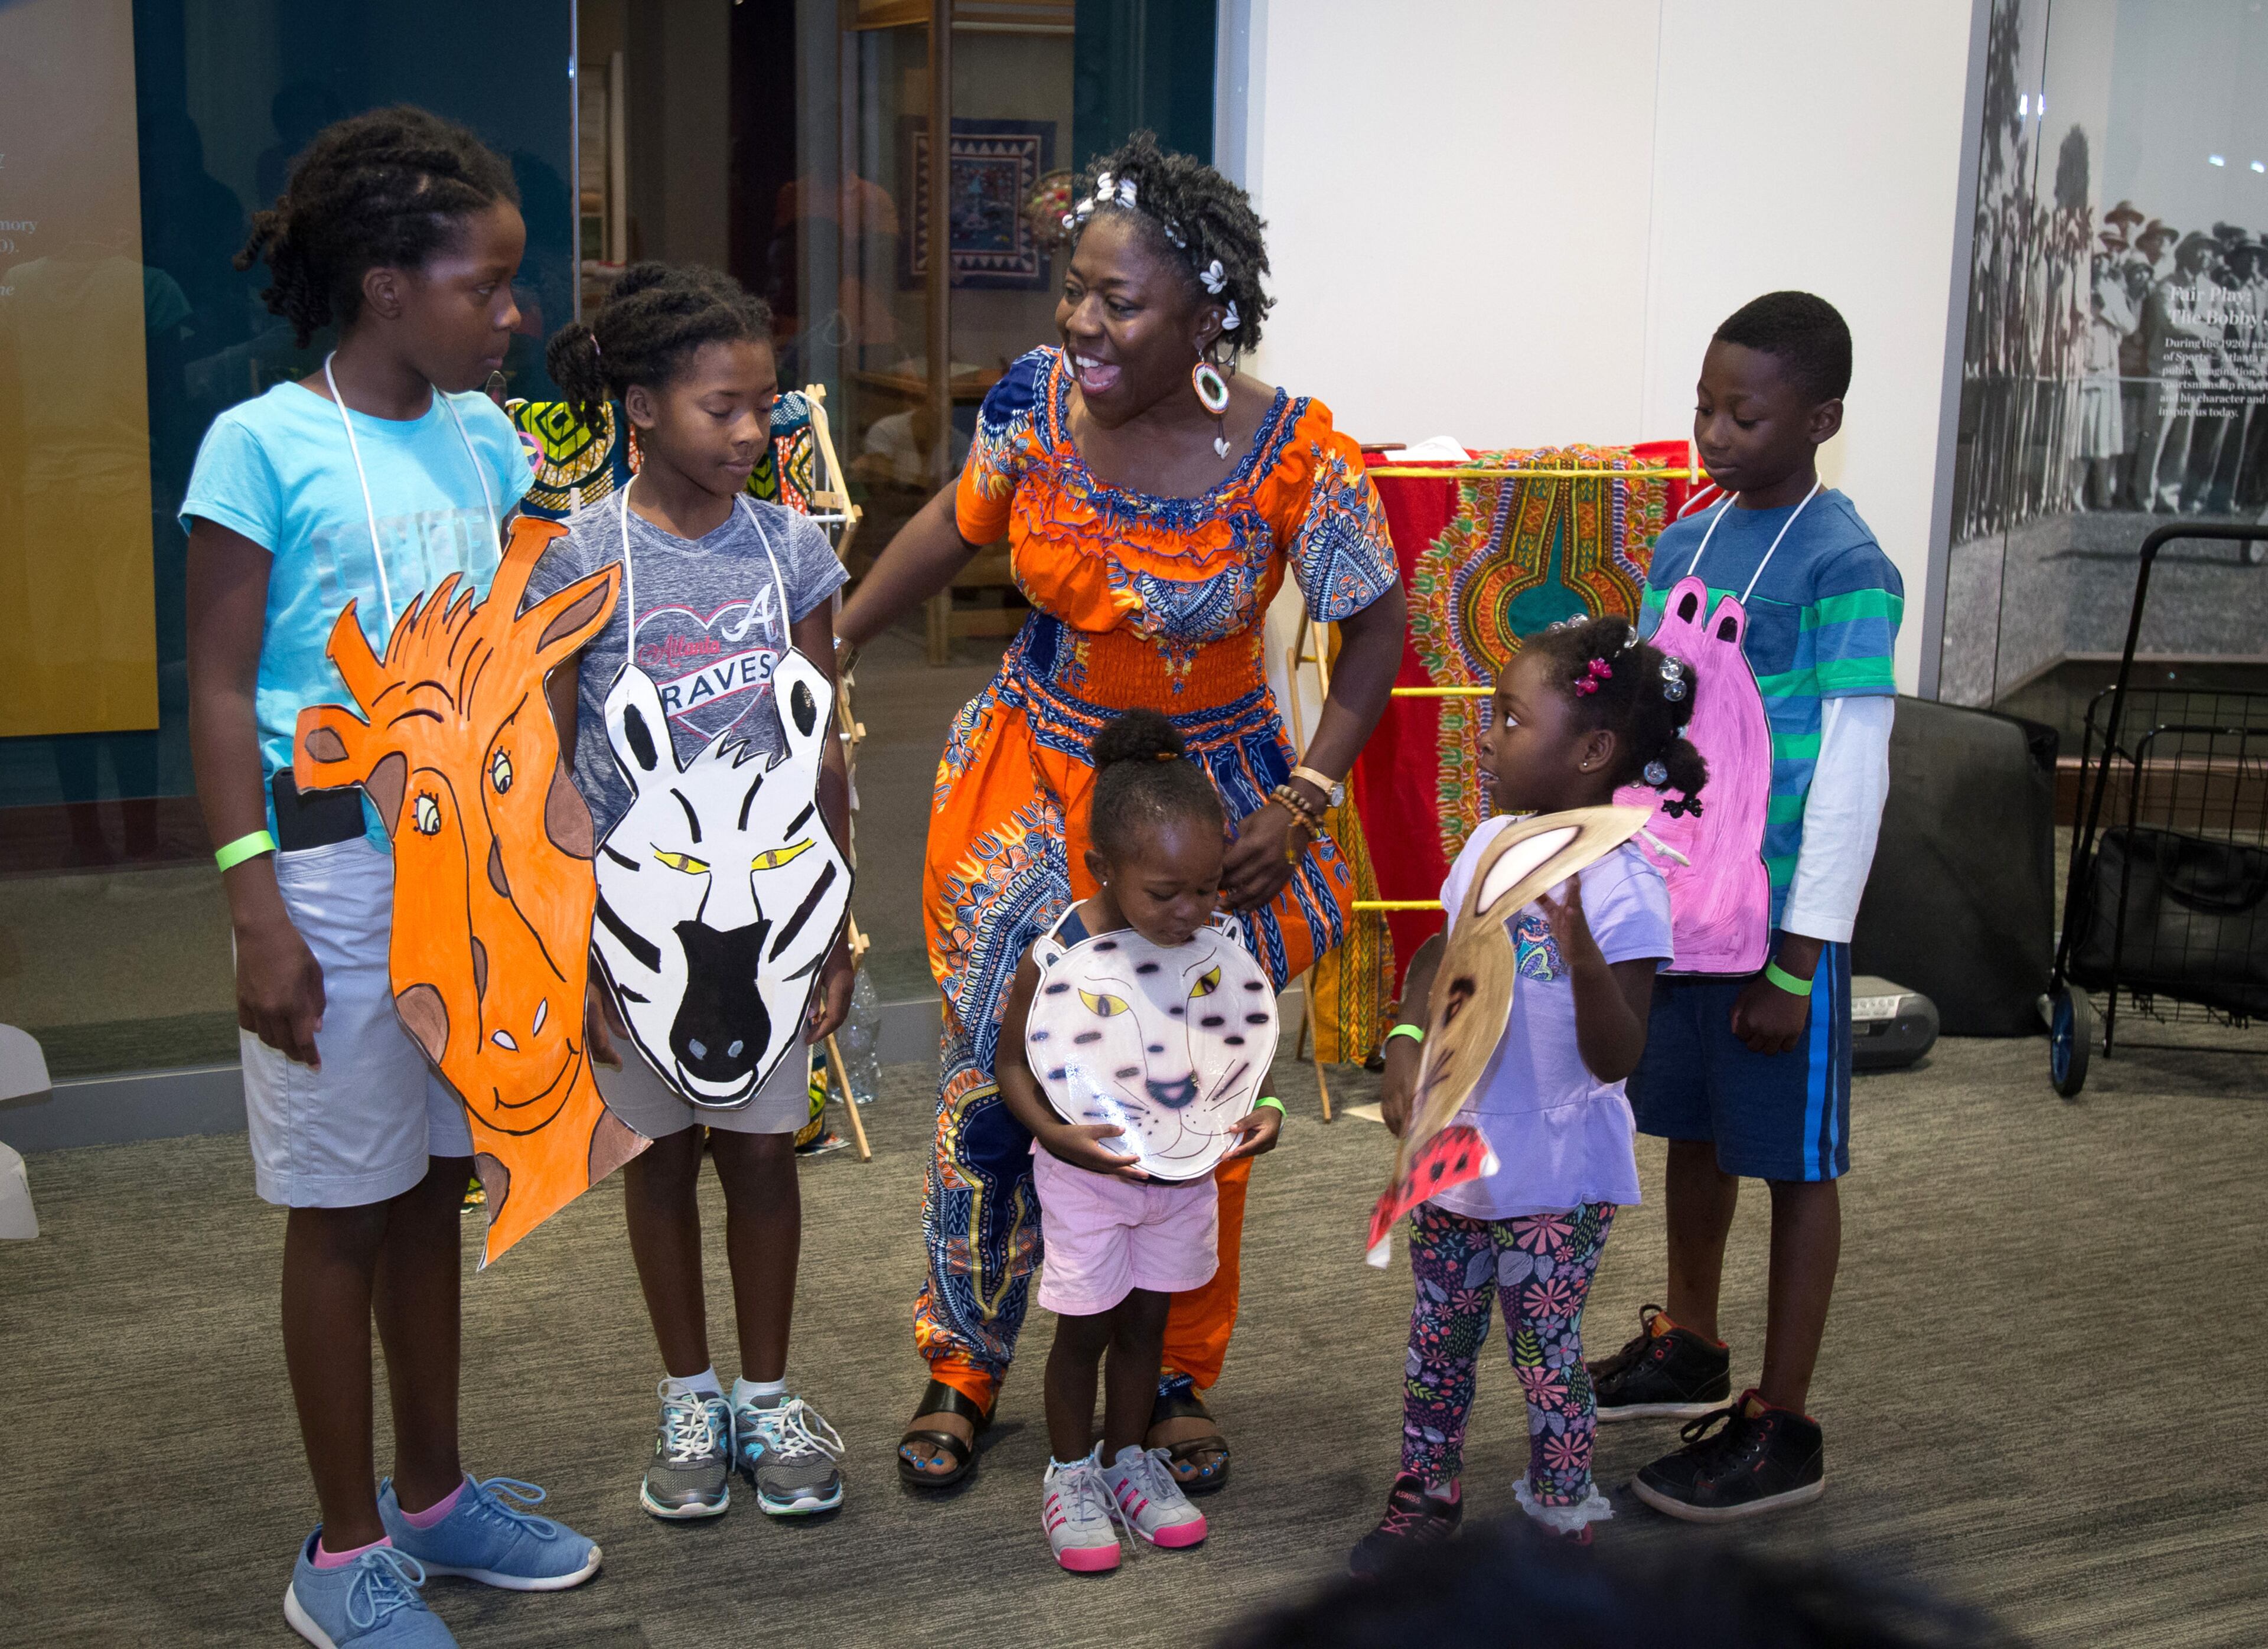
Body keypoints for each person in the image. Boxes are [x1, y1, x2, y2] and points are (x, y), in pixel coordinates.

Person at [831, 131, 1406, 1493]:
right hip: (1037, 785)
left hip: (1215, 817)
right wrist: (839, 634)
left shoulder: (1295, 452)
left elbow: (1376, 623)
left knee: (1198, 1089)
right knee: (993, 1079)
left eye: (1119, 301)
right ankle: (963, 1361)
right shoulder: (1036, 400)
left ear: (1208, 310)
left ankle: (1176, 1378)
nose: (1082, 322)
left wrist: (1310, 793)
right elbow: (958, 525)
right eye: (1074, 292)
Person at [182, 107, 599, 1649]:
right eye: (488, 284)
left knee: (434, 1186)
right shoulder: (262, 446)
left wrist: (550, 876)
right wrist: (254, 911)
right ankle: (343, 1549)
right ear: (381, 283)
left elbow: (514, 667)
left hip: (466, 880)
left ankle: (434, 1495)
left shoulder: (491, 441)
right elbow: (221, 691)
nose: (515, 314)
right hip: (326, 880)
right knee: (338, 1210)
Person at [528, 263, 856, 1523]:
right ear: (644, 407)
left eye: (765, 405)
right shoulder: (582, 554)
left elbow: (825, 746)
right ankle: (690, 1389)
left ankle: (768, 1395)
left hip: (769, 919)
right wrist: (577, 947)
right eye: (723, 406)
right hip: (635, 928)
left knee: (765, 1154)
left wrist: (829, 936)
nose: (753, 432)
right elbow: (555, 774)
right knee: (658, 1161)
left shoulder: (792, 551)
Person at [1590, 291, 1901, 1522]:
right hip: (1680, 916)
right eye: (1704, 406)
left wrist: (1799, 958)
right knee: (1694, 1128)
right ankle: (1693, 1342)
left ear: (1820, 418)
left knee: (1791, 1162)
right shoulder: (1686, 541)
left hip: (1779, 933)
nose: (1714, 432)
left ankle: (1784, 1418)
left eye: (1745, 412)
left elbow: (1857, 772)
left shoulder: (1846, 564)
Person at [1351, 617, 1699, 1576]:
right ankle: (1426, 1497)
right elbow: (1439, 957)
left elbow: (1618, 1054)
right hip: (1459, 1153)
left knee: (1547, 1360)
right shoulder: (1490, 844)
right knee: (1437, 1344)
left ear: (1591, 752)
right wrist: (1408, 1041)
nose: (1488, 736)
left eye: (1511, 719)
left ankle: (1560, 1516)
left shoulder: (1628, 888)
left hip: (1556, 1176)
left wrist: (1584, 950)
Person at [992, 709, 1283, 1571]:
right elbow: (1011, 1065)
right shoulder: (1060, 956)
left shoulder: (1215, 946)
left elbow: (1231, 1049)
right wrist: (1056, 1136)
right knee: (1084, 1330)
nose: (1192, 911)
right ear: (1103, 870)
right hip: (1089, 1173)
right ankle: (1071, 1472)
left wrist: (1259, 1112)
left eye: (1208, 888)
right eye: (1167, 894)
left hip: (1182, 1174)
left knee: (1150, 1324)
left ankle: (1129, 1460)